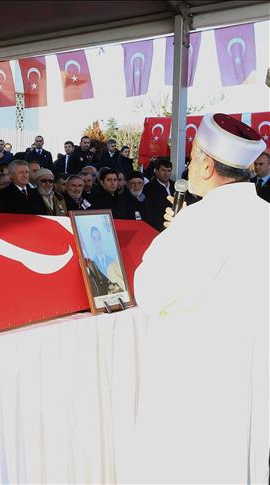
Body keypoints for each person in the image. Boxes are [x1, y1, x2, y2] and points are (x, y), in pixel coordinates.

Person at [130, 114, 269, 481]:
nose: (188, 167)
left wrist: (173, 234)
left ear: (207, 165)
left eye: (192, 159)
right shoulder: (265, 214)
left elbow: (150, 290)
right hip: (253, 376)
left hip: (201, 384)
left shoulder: (200, 222)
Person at [142, 158, 175, 231]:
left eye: (169, 171)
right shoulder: (148, 188)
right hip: (157, 227)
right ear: (156, 171)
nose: (166, 173)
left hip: (174, 224)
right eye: (163, 170)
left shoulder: (175, 186)